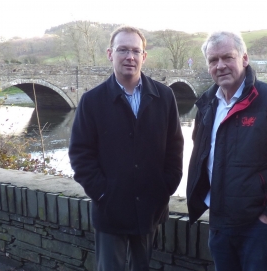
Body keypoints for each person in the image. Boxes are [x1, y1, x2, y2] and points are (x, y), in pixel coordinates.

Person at [186, 30, 267, 271]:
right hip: (220, 223)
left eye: (227, 57)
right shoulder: (206, 104)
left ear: (244, 58)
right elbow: (201, 155)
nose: (220, 66)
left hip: (257, 227)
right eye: (213, 60)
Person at [69, 25, 184, 271]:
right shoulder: (92, 101)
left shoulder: (164, 97)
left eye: (135, 51)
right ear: (110, 54)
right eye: (123, 50)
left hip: (150, 208)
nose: (129, 57)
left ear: (144, 56)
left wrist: (164, 189)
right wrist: (102, 193)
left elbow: (175, 149)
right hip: (110, 209)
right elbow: (80, 155)